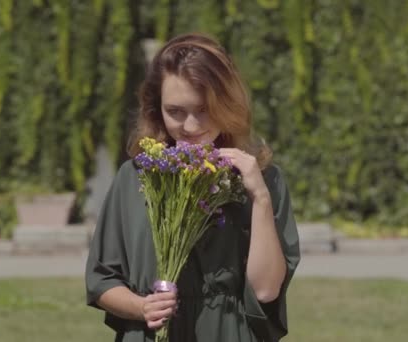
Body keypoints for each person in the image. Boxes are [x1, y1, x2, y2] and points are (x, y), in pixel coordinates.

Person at [85, 33, 300, 342]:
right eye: (175, 111)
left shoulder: (265, 180)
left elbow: (265, 290)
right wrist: (142, 306)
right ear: (155, 108)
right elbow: (102, 281)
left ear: (226, 104)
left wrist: (260, 198)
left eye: (203, 109)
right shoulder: (134, 178)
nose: (190, 127)